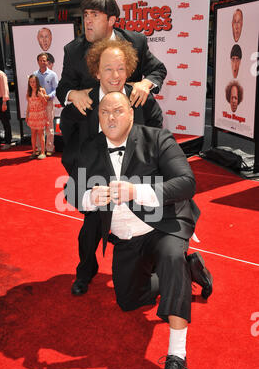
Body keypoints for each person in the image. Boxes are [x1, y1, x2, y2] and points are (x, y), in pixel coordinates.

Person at [65, 91, 206, 369]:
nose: (111, 117)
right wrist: (88, 199)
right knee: (128, 301)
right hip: (127, 239)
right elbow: (71, 190)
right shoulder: (90, 148)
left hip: (164, 225)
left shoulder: (156, 138)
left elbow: (186, 182)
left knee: (171, 256)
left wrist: (137, 190)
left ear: (130, 113)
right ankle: (189, 269)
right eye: (104, 112)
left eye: (117, 110)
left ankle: (176, 358)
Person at [61, 38, 212, 300]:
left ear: (129, 70)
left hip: (137, 183)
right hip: (98, 180)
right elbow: (69, 135)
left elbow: (157, 139)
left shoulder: (142, 100)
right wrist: (82, 175)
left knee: (158, 230)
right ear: (97, 71)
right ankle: (85, 273)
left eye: (121, 69)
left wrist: (145, 187)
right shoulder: (82, 102)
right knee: (88, 233)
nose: (115, 75)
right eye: (108, 69)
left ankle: (179, 269)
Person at [56, 0, 167, 115]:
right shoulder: (73, 50)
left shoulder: (135, 42)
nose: (88, 21)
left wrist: (145, 84)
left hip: (131, 120)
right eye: (86, 15)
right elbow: (63, 88)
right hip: (93, 123)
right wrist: (73, 94)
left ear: (111, 20)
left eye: (95, 15)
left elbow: (157, 69)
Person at [34, 53, 58, 156]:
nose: (43, 62)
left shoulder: (52, 74)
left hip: (48, 103)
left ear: (47, 62)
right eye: (41, 60)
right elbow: (32, 88)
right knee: (39, 126)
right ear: (38, 62)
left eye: (45, 60)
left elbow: (56, 89)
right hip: (38, 104)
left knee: (49, 125)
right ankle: (40, 148)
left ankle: (49, 148)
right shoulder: (34, 74)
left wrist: (48, 96)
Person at [26, 75, 48, 160]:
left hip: (40, 114)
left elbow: (45, 103)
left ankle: (43, 152)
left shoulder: (41, 90)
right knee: (33, 134)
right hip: (32, 115)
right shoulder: (29, 92)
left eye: (34, 81)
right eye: (31, 82)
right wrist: (27, 115)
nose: (32, 83)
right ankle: (34, 152)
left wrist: (42, 96)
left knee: (41, 133)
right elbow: (29, 104)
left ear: (37, 82)